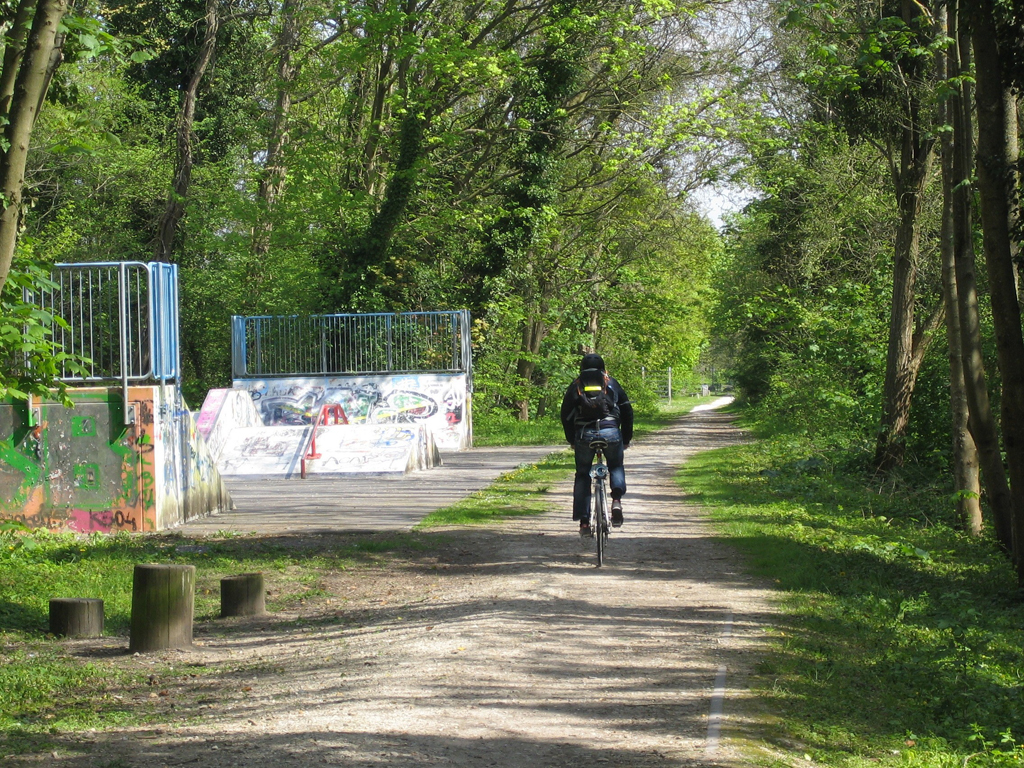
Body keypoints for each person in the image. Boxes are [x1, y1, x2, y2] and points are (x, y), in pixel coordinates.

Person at [559, 353, 634, 533]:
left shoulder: (576, 385)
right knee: (615, 466)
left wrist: (572, 440)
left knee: (583, 474)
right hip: (611, 432)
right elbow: (627, 411)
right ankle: (616, 500)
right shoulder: (611, 383)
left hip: (584, 434)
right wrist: (625, 438)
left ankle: (584, 522)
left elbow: (565, 415)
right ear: (603, 367)